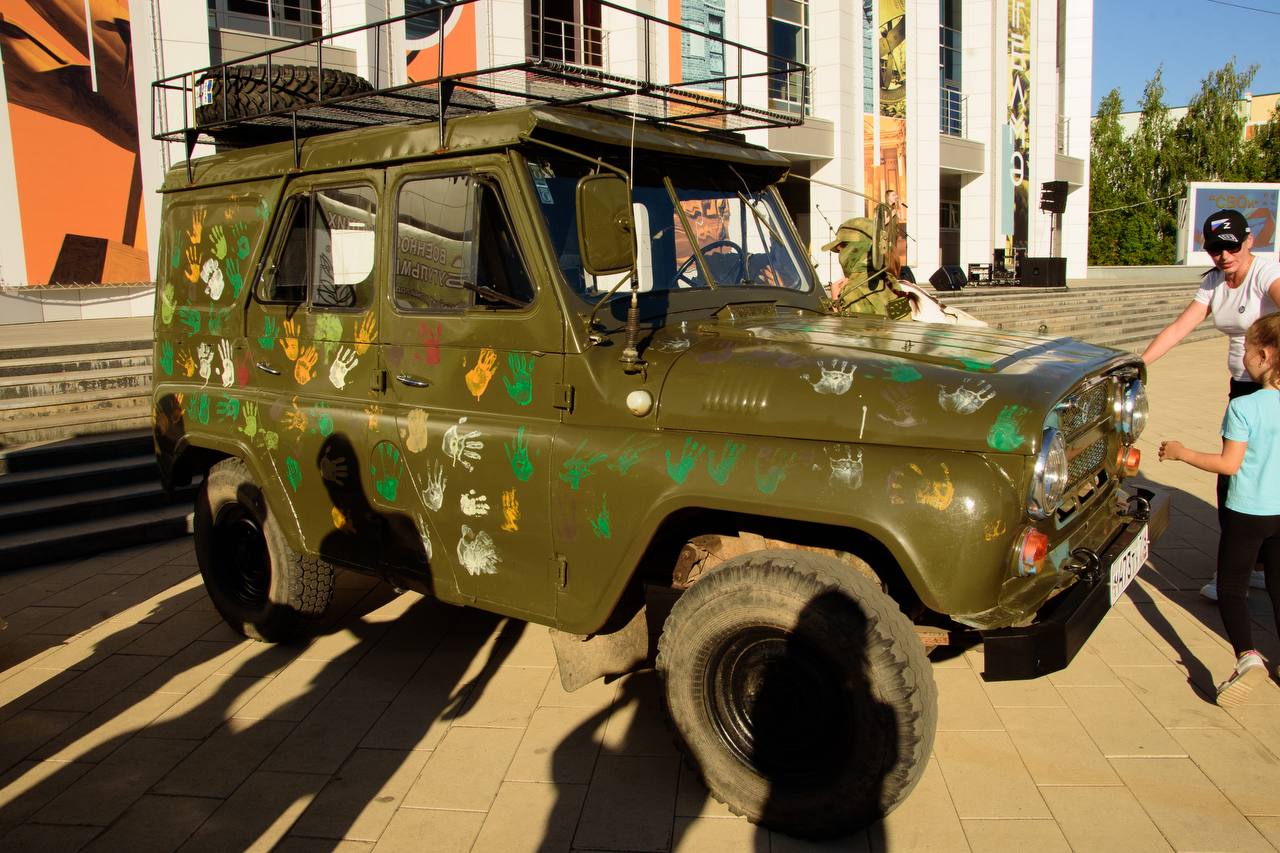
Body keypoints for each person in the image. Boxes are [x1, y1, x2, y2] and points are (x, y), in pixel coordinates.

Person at [1142, 209, 1280, 600]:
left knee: (1238, 480)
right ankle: (1253, 565)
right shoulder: (1215, 283)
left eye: (1232, 246)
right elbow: (1178, 329)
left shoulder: (1264, 274)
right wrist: (1139, 364)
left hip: (1269, 392)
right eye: (1216, 248)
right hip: (1241, 388)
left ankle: (1235, 571)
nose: (1224, 255)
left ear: (1249, 241)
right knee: (1241, 479)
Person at [1158, 312, 1280, 706]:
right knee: (1279, 587)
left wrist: (1182, 453)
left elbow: (1229, 465)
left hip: (1247, 511)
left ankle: (1247, 657)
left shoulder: (1245, 407)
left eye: (1246, 349)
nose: (1242, 356)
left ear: (1263, 355)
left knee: (1230, 587)